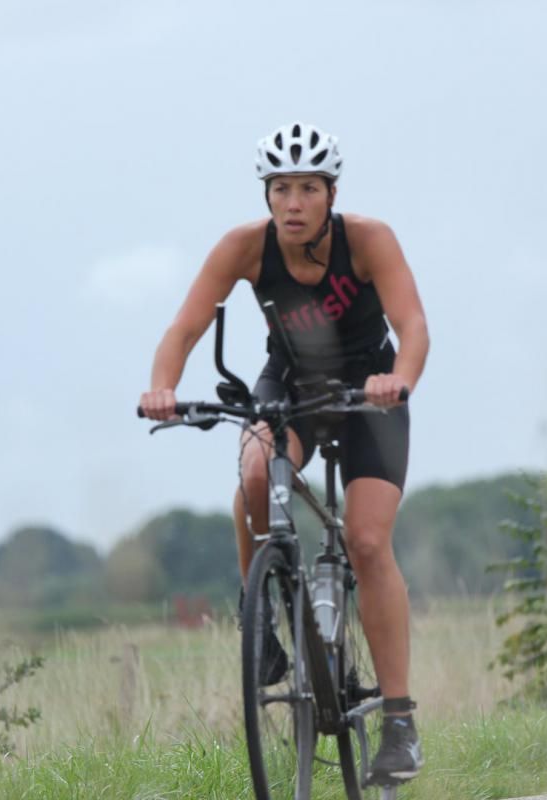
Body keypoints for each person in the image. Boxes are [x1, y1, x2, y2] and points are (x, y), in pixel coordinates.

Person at [138, 122, 429, 784]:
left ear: (330, 195)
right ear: (266, 197)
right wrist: (162, 387)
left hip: (367, 397)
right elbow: (184, 328)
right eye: (280, 189)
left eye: (306, 189)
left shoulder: (370, 240)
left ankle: (401, 723)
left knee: (366, 538)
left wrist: (398, 379)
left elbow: (412, 326)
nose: (292, 203)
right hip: (290, 388)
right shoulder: (244, 248)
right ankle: (262, 613)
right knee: (250, 475)